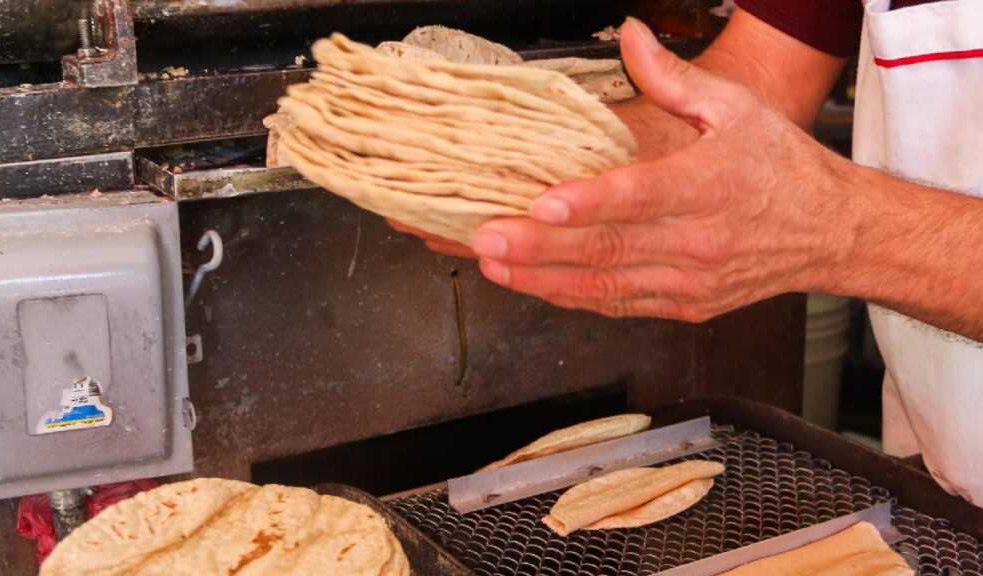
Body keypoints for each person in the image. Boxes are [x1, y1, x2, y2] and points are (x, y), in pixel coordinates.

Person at [392, 1, 983, 505]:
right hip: (947, 484)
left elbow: (837, 220)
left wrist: (843, 228)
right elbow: (763, 70)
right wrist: (567, 154)